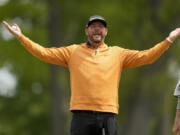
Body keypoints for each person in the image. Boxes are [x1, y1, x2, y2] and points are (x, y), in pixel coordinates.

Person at [2, 15, 180, 135]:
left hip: (108, 115)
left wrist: (169, 39)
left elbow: (147, 56)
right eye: (93, 27)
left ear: (106, 32)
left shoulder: (118, 53)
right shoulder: (72, 52)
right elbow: (44, 53)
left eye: (101, 27)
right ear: (86, 31)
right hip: (81, 116)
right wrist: (21, 37)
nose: (97, 30)